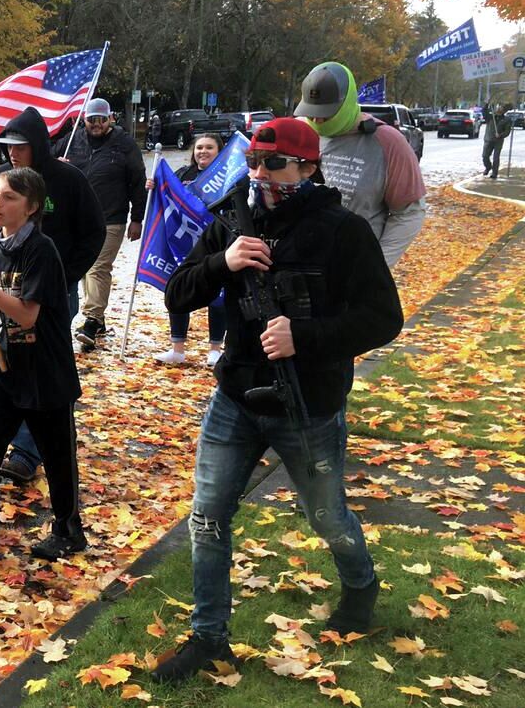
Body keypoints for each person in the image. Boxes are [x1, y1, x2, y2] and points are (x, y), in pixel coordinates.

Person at [152, 118, 403, 682]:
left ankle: (360, 587)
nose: (261, 174)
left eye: (275, 165)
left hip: (308, 405)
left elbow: (384, 317)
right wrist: (223, 262)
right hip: (236, 399)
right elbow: (177, 293)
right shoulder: (231, 221)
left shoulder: (342, 232)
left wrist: (305, 338)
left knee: (327, 517)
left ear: (308, 168)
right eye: (255, 163)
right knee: (208, 516)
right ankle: (209, 639)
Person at [0, 166, 85, 565]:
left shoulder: (41, 250)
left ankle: (68, 529)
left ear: (30, 207)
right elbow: (1, 301)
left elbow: (27, 314)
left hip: (46, 370)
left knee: (57, 455)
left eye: (9, 197)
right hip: (8, 365)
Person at [0, 107, 104, 485]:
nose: (13, 153)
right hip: (9, 290)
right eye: (7, 146)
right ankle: (11, 434)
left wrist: (66, 274)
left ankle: (29, 451)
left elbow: (93, 232)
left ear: (38, 146)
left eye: (21, 146)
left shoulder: (68, 179)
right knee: (14, 359)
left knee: (45, 367)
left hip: (54, 290)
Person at [294, 61, 425, 267]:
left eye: (326, 114)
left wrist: (374, 266)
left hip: (355, 272)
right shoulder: (299, 133)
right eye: (312, 113)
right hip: (302, 271)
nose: (318, 122)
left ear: (346, 102)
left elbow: (409, 213)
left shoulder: (388, 142)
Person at [58, 98, 146, 349]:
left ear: (110, 119)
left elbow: (138, 182)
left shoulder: (125, 145)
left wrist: (137, 219)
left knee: (97, 267)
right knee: (84, 268)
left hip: (111, 218)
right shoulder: (73, 140)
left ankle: (91, 320)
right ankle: (100, 318)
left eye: (101, 119)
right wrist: (57, 164)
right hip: (77, 218)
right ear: (84, 120)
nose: (96, 124)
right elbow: (48, 159)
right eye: (91, 119)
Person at [147, 134, 227, 365]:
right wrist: (153, 187)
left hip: (216, 241)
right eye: (199, 147)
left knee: (219, 295)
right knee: (180, 289)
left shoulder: (229, 176)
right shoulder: (182, 174)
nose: (203, 151)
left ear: (219, 151)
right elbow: (166, 197)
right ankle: (177, 349)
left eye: (209, 147)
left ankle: (215, 349)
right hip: (184, 245)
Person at [482, 103, 511, 180]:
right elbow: (484, 112)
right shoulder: (491, 117)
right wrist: (486, 104)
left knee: (496, 158)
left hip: (498, 141)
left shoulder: (506, 120)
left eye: (501, 108)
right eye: (499, 108)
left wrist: (500, 135)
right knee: (485, 156)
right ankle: (488, 167)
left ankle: (494, 173)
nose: (499, 109)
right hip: (488, 139)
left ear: (504, 111)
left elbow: (507, 131)